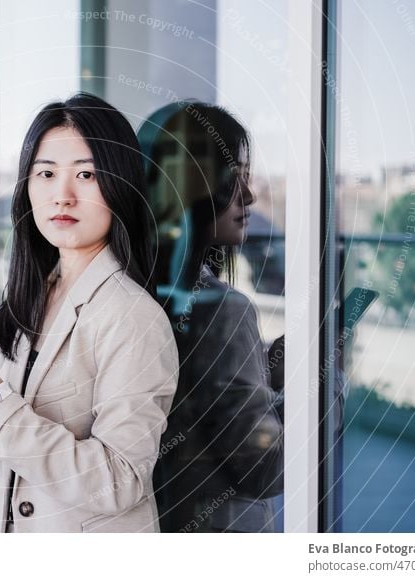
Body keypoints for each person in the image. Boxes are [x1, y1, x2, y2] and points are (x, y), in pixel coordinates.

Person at [0, 92, 179, 533]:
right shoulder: (36, 296)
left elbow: (120, 482)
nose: (63, 195)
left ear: (119, 184)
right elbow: (1, 466)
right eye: (46, 174)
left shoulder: (132, 317)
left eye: (87, 174)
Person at [140, 101, 284, 532]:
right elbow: (263, 468)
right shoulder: (222, 310)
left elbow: (199, 416)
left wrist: (263, 366)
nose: (250, 196)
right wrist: (323, 379)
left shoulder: (133, 290)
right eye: (234, 177)